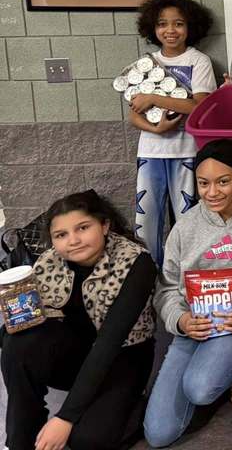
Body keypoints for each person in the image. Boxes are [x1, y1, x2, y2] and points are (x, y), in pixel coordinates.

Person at [144, 139, 232, 447]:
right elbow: (167, 285)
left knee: (200, 388)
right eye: (203, 183)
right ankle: (214, 363)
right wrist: (180, 320)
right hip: (192, 327)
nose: (212, 192)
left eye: (223, 182)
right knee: (158, 434)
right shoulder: (185, 226)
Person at [2, 191, 157, 450]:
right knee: (18, 341)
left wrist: (66, 416)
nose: (72, 241)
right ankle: (21, 441)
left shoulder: (137, 263)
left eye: (83, 228)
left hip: (123, 357)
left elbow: (109, 343)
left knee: (87, 440)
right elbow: (20, 339)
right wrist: (13, 314)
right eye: (61, 235)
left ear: (104, 225)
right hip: (75, 354)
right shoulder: (50, 262)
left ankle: (135, 407)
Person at [133, 0, 217, 267]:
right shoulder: (146, 63)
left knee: (188, 216)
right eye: (162, 24)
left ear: (190, 27)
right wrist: (155, 129)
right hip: (151, 151)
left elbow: (199, 106)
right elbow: (134, 115)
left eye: (178, 23)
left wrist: (154, 98)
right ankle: (149, 275)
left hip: (186, 151)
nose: (170, 30)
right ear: (152, 27)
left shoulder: (199, 61)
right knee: (146, 218)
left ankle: (189, 272)